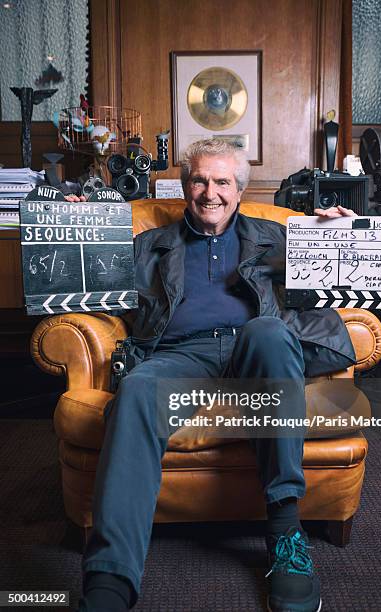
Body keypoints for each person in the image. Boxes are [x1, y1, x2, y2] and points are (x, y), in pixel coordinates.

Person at [69, 138, 356, 612]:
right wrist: (77, 225)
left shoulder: (279, 237)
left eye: (222, 181)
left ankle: (286, 537)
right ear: (185, 186)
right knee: (138, 388)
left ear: (239, 189)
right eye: (200, 179)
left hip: (256, 353)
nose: (210, 192)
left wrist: (343, 234)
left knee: (267, 331)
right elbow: (87, 278)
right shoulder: (147, 246)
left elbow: (333, 284)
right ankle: (109, 582)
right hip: (182, 355)